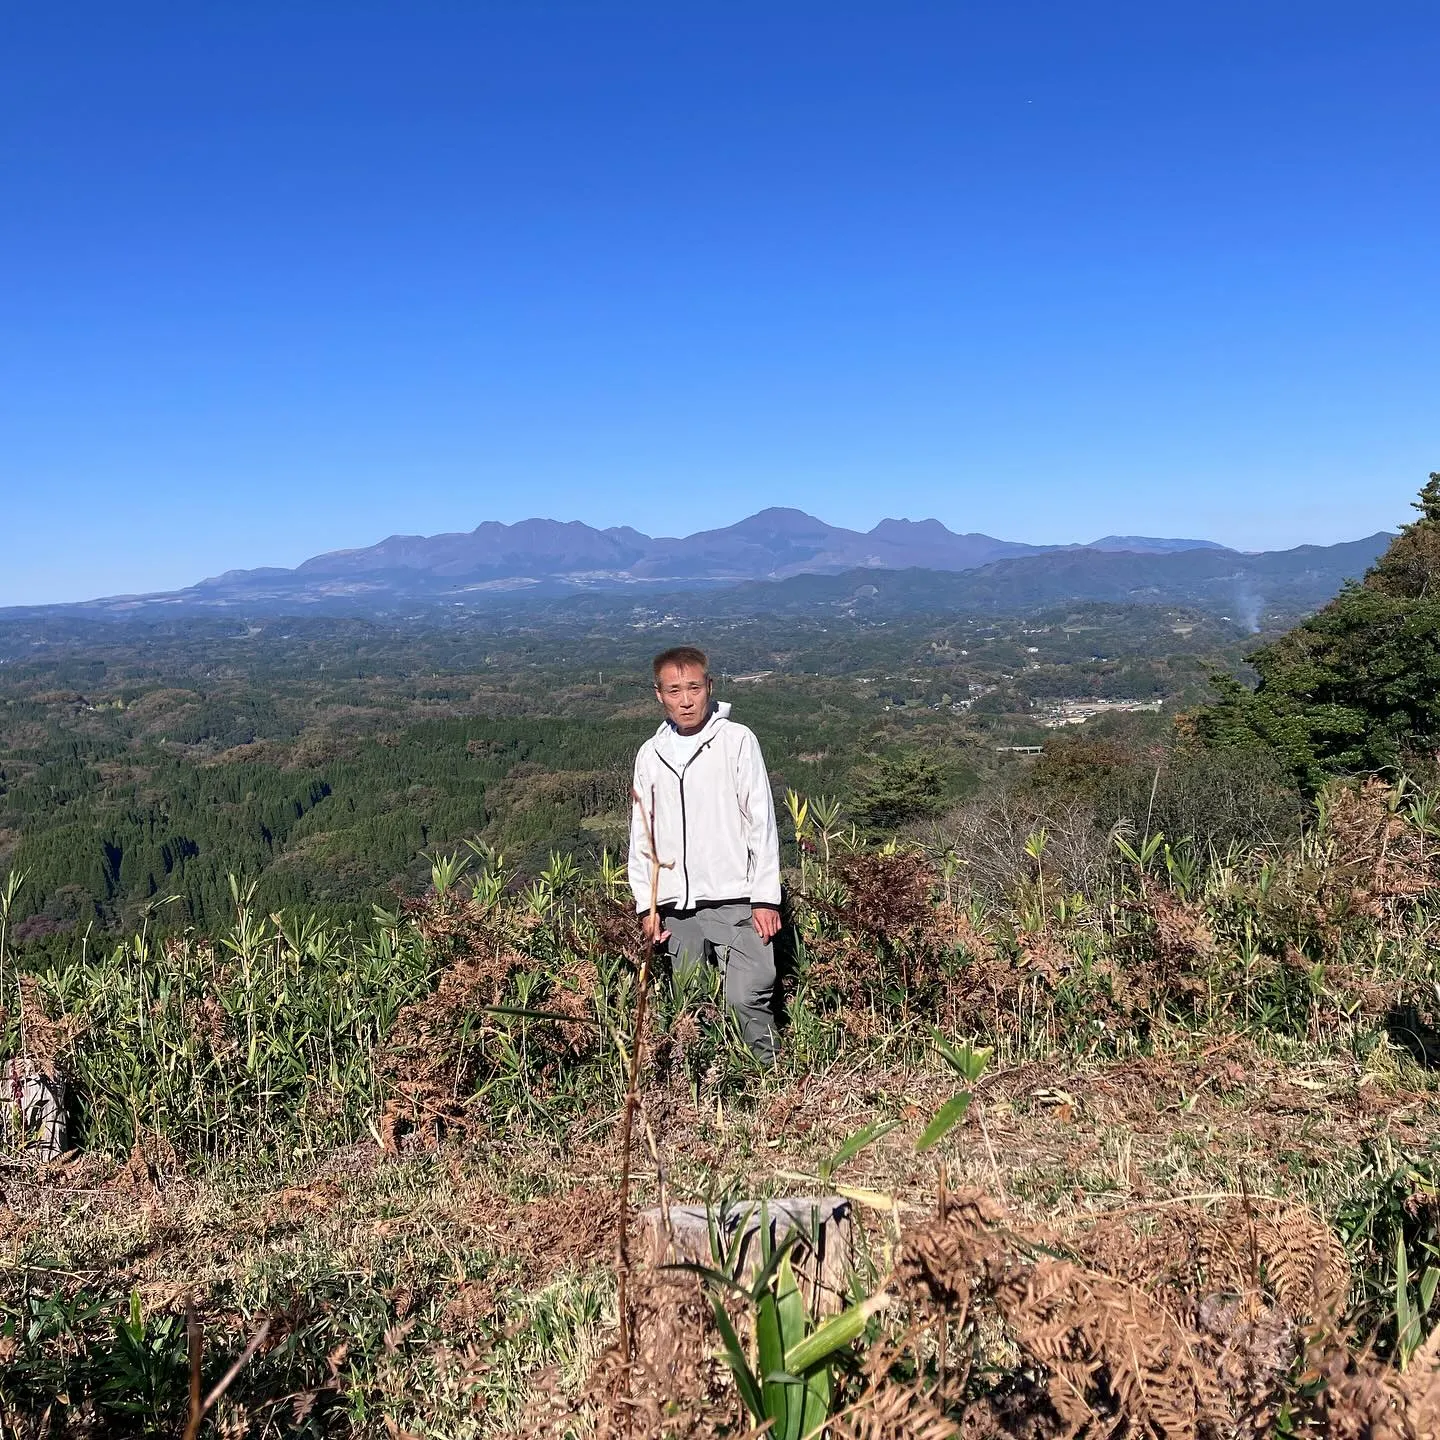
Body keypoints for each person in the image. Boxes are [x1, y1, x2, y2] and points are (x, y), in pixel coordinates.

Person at [627, 645, 782, 1064]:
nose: (686, 699)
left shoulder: (736, 741)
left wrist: (766, 896)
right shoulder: (650, 754)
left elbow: (761, 821)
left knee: (747, 995)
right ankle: (707, 1089)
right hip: (676, 905)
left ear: (709, 688)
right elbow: (643, 834)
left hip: (736, 896)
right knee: (692, 1004)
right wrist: (647, 903)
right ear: (658, 695)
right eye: (674, 690)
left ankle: (771, 1082)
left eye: (694, 688)